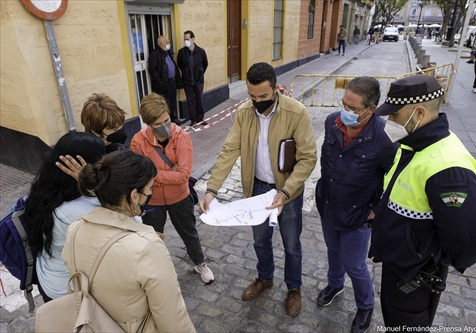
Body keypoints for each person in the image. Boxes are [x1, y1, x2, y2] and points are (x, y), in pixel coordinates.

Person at [369, 74, 476, 329]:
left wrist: (428, 260)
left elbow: (467, 239)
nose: (389, 121)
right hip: (399, 263)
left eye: (395, 115)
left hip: (416, 275)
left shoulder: (448, 168)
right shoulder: (415, 143)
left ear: (420, 113)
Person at [199, 62, 317, 317]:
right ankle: (265, 278)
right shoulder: (244, 112)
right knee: (260, 242)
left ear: (276, 89)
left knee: (292, 245)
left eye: (263, 96)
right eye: (252, 96)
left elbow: (308, 158)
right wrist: (211, 190)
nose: (257, 101)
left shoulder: (297, 113)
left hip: (288, 192)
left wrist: (285, 192)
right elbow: (229, 150)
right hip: (257, 189)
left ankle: (294, 288)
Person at [60, 150, 195, 332]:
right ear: (134, 196)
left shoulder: (75, 228)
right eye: (149, 190)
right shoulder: (147, 246)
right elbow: (172, 318)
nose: (150, 194)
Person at [315, 77, 398, 333]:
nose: (345, 112)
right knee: (333, 251)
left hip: (358, 214)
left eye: (353, 108)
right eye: (344, 104)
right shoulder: (332, 122)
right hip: (329, 204)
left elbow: (396, 179)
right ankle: (335, 284)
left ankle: (365, 305)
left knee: (354, 263)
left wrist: (376, 211)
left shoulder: (385, 138)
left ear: (371, 109)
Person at [130, 93, 214, 284]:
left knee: (189, 233)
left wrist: (153, 174)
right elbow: (140, 176)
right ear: (148, 124)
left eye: (166, 120)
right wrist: (168, 172)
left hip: (180, 197)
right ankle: (156, 272)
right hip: (152, 201)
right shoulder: (138, 141)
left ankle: (200, 263)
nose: (164, 127)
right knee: (153, 239)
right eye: (158, 124)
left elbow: (183, 175)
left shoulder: (181, 137)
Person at [25, 132, 105, 302]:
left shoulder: (44, 190)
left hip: (48, 276)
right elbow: (131, 220)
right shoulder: (81, 210)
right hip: (69, 291)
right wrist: (92, 183)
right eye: (100, 161)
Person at [148, 35, 184, 125]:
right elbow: (153, 69)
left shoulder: (168, 52)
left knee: (172, 101)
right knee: (165, 103)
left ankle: (173, 118)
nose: (169, 44)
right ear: (161, 44)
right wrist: (160, 82)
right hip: (163, 83)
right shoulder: (155, 54)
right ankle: (166, 120)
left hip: (172, 81)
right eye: (167, 42)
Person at [177, 30, 208, 126]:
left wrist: (199, 74)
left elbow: (205, 64)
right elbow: (180, 65)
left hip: (198, 81)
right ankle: (193, 120)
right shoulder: (181, 52)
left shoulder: (201, 51)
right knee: (190, 101)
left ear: (193, 39)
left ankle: (200, 118)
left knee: (199, 99)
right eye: (184, 39)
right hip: (187, 81)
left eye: (187, 39)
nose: (185, 41)